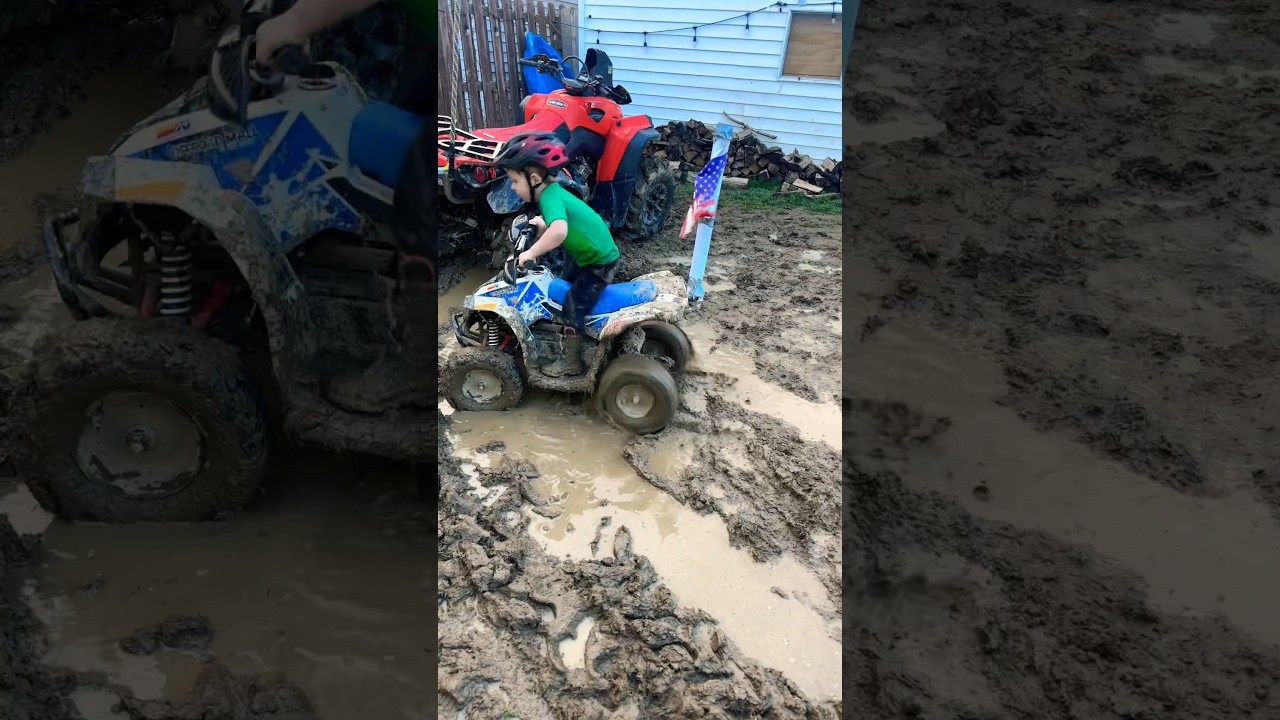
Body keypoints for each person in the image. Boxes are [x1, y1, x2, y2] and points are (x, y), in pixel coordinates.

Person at [255, 0, 436, 415]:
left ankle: (416, 372)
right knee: (393, 127)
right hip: (432, 31)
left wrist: (295, 21)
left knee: (421, 202)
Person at [495, 131, 620, 377]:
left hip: (599, 263)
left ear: (533, 178)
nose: (512, 186)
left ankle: (571, 362)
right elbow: (558, 223)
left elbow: (560, 231)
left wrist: (530, 253)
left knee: (573, 306)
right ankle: (561, 332)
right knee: (561, 289)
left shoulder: (550, 195)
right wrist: (540, 226)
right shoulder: (553, 192)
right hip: (585, 256)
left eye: (514, 180)